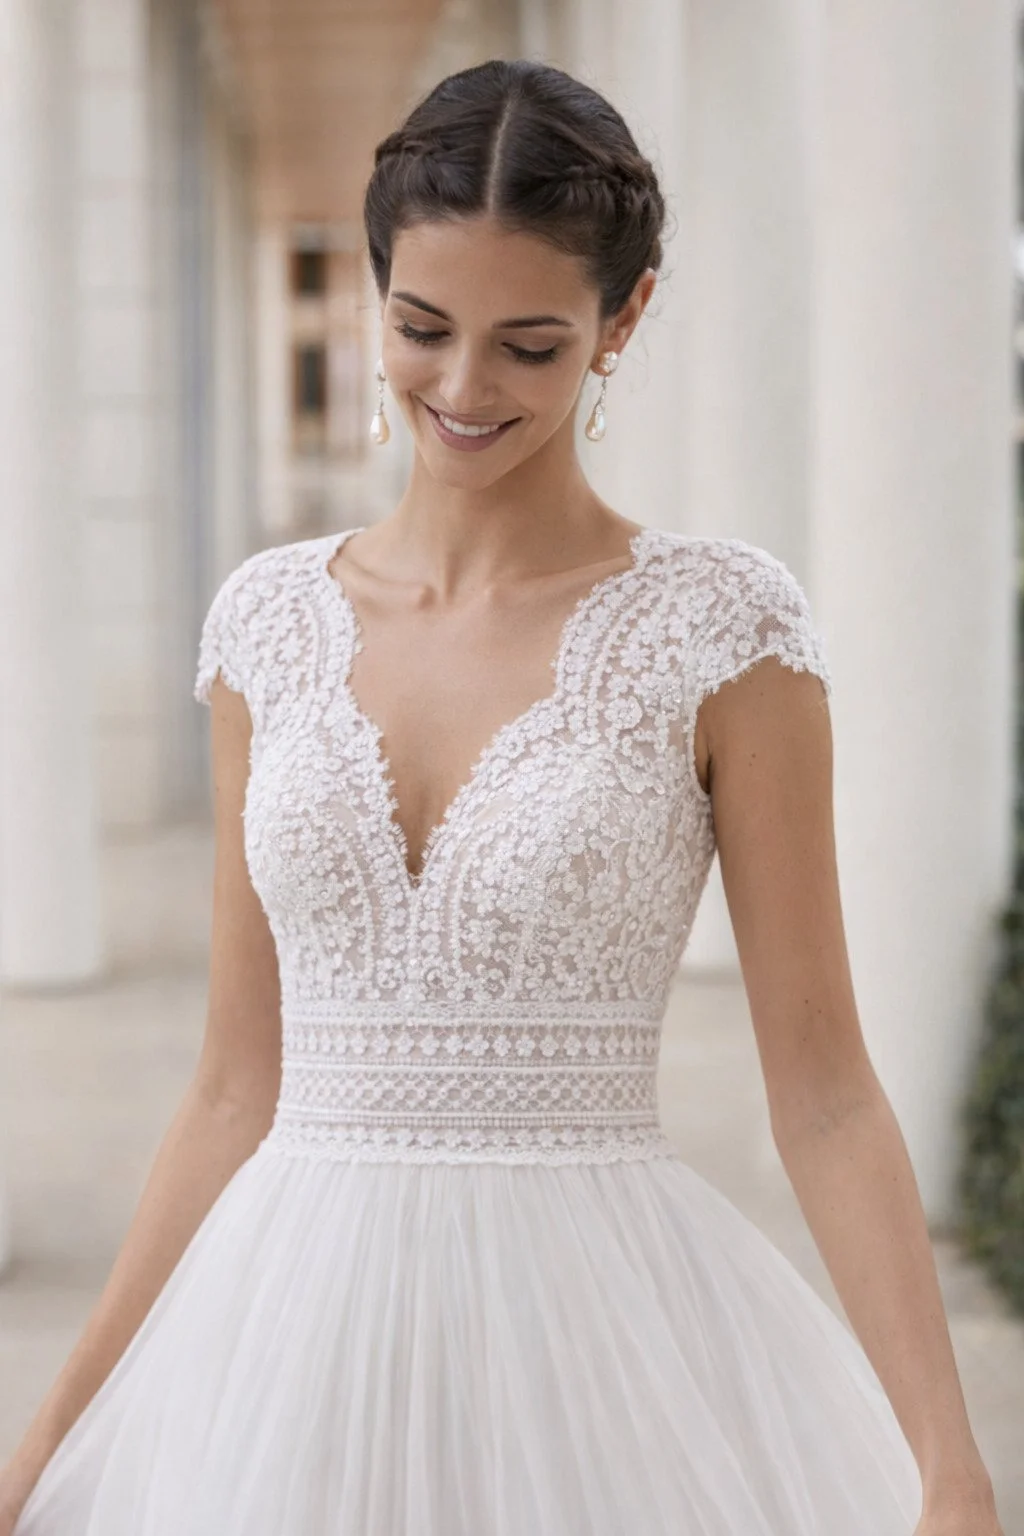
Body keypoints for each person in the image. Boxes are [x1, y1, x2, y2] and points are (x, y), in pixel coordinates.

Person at [0, 56, 1004, 1536]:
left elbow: (828, 1092)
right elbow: (230, 1086)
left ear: (623, 320)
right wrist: (44, 1443)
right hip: (285, 1352)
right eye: (422, 328)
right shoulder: (267, 624)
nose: (463, 391)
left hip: (594, 1350)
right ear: (377, 295)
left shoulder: (723, 632)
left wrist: (950, 1463)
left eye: (530, 346)